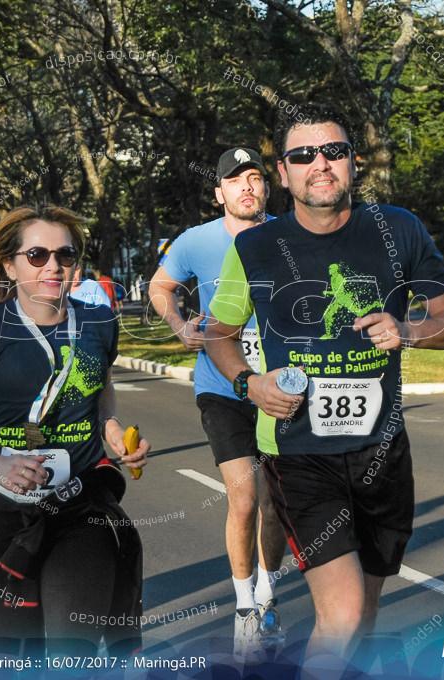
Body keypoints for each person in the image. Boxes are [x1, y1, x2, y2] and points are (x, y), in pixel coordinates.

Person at [204, 104, 444, 672]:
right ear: (283, 172)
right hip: (299, 451)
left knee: (366, 614)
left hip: (382, 449)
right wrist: (248, 383)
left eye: (333, 151)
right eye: (303, 155)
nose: (319, 164)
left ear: (353, 162)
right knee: (346, 611)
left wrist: (410, 330)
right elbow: (217, 333)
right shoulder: (253, 247)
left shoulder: (397, 227)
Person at [0, 205, 149, 657]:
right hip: (2, 514)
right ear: (10, 265)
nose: (53, 265)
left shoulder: (99, 322)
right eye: (36, 255)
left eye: (65, 255)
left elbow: (100, 390)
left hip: (80, 507)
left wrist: (110, 428)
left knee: (75, 655)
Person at [149, 147, 286, 663]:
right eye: (235, 181)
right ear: (219, 193)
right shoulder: (195, 240)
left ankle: (270, 596)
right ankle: (244, 607)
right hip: (221, 386)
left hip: (277, 388)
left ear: (266, 188)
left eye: (254, 179)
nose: (247, 187)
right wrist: (180, 324)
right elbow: (160, 287)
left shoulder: (286, 237)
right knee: (245, 497)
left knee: (275, 502)